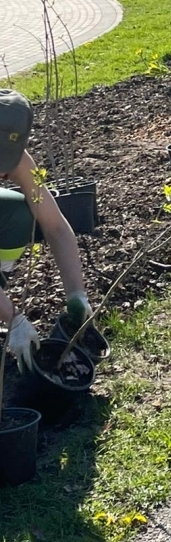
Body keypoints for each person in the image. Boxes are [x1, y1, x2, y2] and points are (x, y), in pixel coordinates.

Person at [0, 89, 92, 370]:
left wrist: (77, 294)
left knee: (17, 213)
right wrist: (13, 317)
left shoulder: (14, 154)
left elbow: (55, 226)